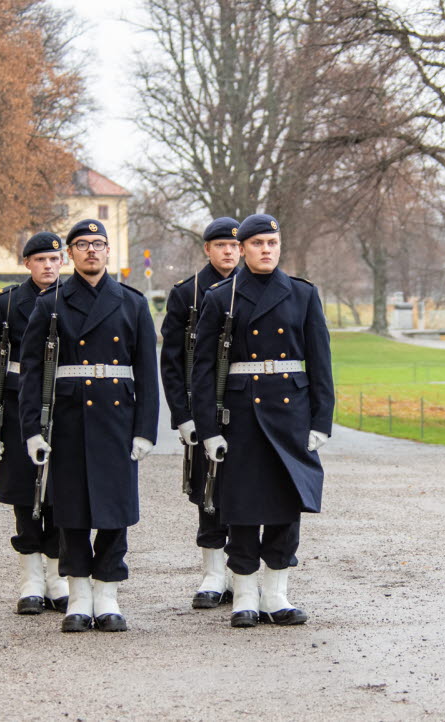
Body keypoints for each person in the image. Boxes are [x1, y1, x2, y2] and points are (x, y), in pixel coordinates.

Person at [191, 213, 334, 628]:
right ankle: (246, 595)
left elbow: (320, 362)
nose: (266, 250)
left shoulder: (303, 295)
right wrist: (209, 429)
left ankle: (277, 594)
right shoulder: (222, 297)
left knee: (286, 506)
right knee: (242, 507)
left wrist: (321, 420)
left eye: (272, 242)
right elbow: (202, 371)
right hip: (242, 417)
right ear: (243, 248)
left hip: (291, 414)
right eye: (257, 244)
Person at [18, 218, 159, 633]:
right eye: (82, 245)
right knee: (73, 513)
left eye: (98, 244)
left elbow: (147, 374)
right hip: (69, 422)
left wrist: (145, 430)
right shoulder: (51, 304)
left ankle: (108, 595)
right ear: (71, 254)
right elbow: (31, 374)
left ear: (109, 251)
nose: (91, 251)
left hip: (116, 422)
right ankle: (78, 596)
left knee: (115, 513)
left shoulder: (132, 303)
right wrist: (32, 431)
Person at [0, 232, 67, 615]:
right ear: (27, 263)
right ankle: (31, 579)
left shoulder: (74, 299)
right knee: (25, 497)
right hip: (16, 409)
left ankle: (58, 577)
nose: (48, 265)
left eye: (55, 259)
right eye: (41, 259)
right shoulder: (7, 303)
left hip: (65, 408)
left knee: (61, 495)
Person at [159, 217, 241, 609]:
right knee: (206, 490)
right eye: (220, 245)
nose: (229, 251)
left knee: (248, 489)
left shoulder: (254, 288)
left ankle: (243, 573)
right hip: (202, 406)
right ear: (207, 249)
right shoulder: (185, 294)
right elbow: (173, 362)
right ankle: (213, 573)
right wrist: (183, 415)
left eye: (235, 245)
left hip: (244, 407)